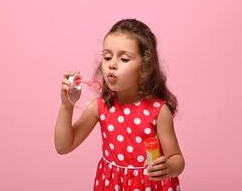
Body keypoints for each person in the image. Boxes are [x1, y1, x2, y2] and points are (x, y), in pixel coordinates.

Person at [54, 18, 185, 191]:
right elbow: (63, 146)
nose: (112, 65)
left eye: (124, 59)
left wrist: (168, 168)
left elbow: (177, 159)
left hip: (150, 186)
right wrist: (67, 105)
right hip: (112, 186)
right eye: (107, 57)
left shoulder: (158, 111)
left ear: (145, 67)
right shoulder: (99, 107)